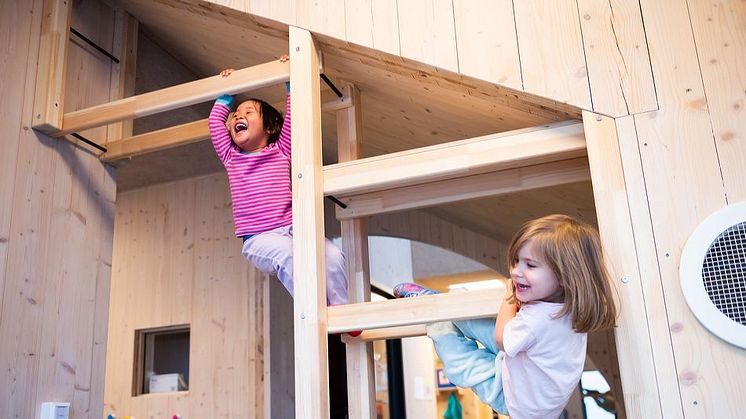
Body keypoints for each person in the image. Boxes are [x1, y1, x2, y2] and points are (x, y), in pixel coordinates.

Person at [393, 214, 618, 419]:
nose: (515, 271)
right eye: (516, 261)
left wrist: (509, 297)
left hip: (514, 399)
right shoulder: (567, 310)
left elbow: (501, 338)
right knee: (482, 325)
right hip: (525, 374)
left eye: (530, 265)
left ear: (564, 276)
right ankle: (448, 303)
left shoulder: (538, 320)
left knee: (462, 365)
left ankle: (438, 317)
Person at [209, 56, 349, 306]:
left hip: (294, 231)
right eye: (236, 115)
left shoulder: (281, 150)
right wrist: (226, 93)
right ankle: (315, 306)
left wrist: (290, 77)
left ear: (270, 128)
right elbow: (214, 123)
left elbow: (295, 116)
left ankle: (340, 308)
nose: (239, 115)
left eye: (249, 112)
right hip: (258, 239)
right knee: (289, 255)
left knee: (333, 254)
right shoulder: (231, 156)